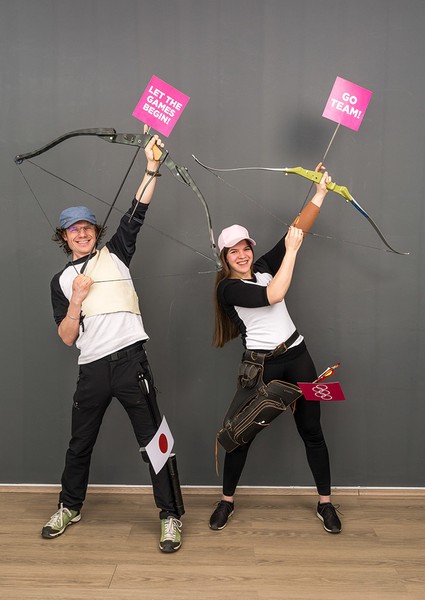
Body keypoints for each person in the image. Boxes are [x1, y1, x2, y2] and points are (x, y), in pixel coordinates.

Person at [41, 134, 183, 553]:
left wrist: (152, 166)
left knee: (156, 441)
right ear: (64, 237)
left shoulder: (116, 252)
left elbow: (137, 211)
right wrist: (76, 301)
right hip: (92, 370)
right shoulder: (60, 281)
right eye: (74, 230)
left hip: (130, 363)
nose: (82, 234)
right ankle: (69, 506)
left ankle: (171, 515)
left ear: (95, 232)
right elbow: (66, 337)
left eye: (87, 228)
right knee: (79, 443)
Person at [209, 163, 342, 534]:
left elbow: (297, 230)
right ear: (224, 258)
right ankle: (226, 501)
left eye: (245, 248)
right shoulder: (227, 289)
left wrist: (319, 192)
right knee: (240, 436)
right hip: (262, 368)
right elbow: (274, 294)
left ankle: (325, 503)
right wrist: (293, 253)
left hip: (300, 360)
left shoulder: (265, 266)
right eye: (233, 252)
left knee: (312, 431)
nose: (242, 255)